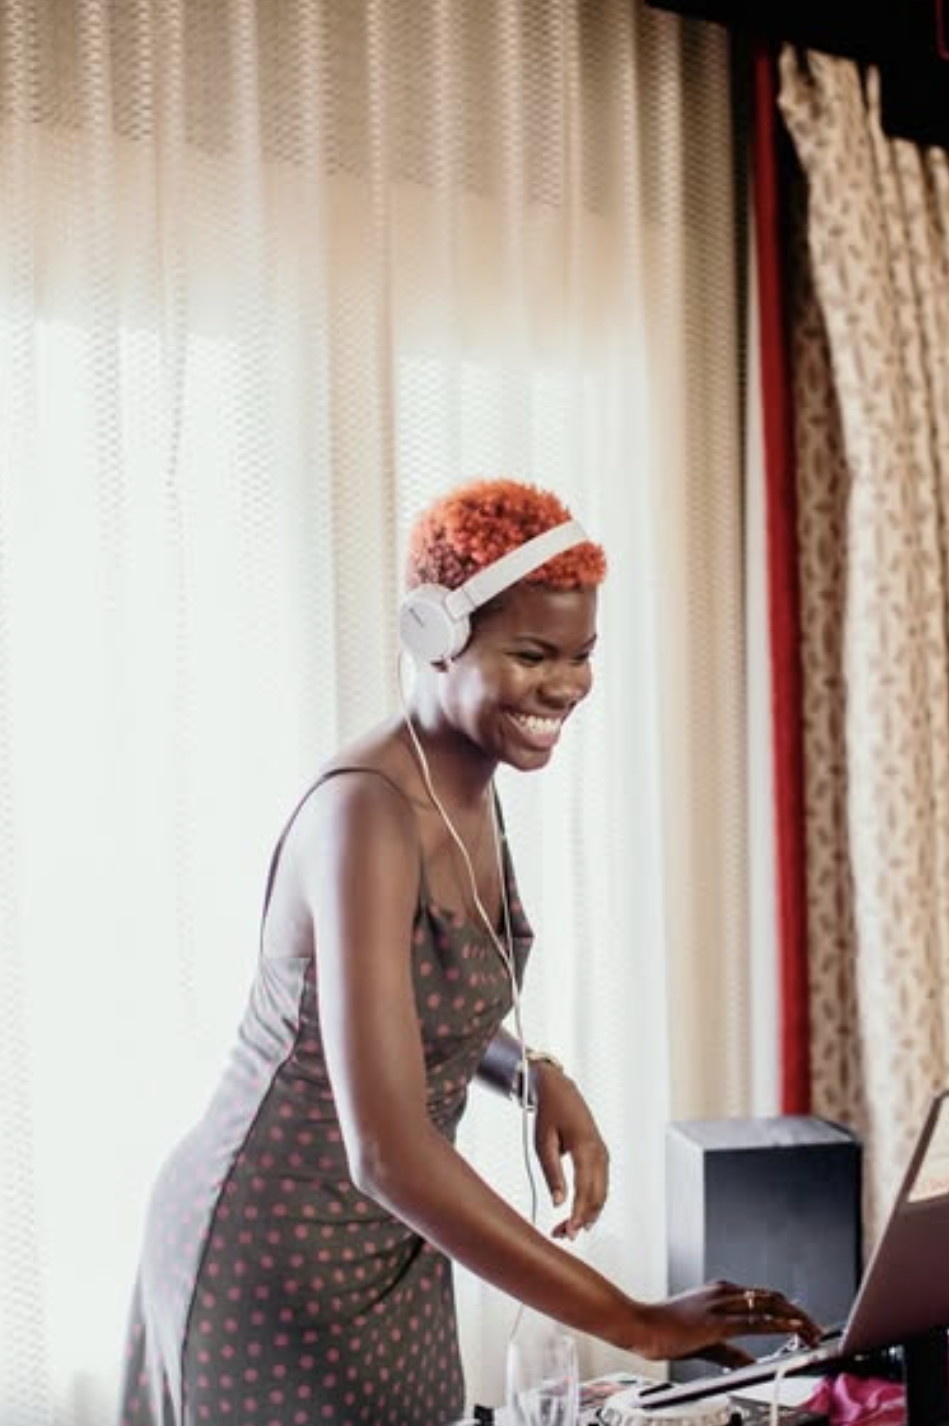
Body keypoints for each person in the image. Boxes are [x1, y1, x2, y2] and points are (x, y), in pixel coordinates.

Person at [118, 477, 818, 1426]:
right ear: (433, 639)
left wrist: (532, 1071)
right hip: (275, 1255)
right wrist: (639, 1324)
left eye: (583, 655)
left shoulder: (473, 782)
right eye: (533, 654)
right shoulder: (365, 813)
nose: (566, 687)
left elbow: (400, 1007)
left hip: (394, 1249)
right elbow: (389, 1152)